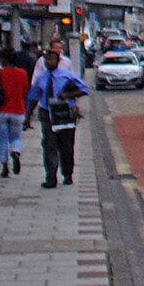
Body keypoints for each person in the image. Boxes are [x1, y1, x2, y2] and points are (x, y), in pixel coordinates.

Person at [28, 47, 86, 188]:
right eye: (46, 60)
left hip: (64, 113)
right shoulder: (41, 78)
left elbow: (84, 89)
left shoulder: (68, 75)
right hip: (47, 113)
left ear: (58, 61)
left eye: (51, 59)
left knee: (66, 145)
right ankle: (51, 177)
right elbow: (34, 97)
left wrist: (68, 95)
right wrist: (27, 115)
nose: (48, 62)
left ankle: (67, 174)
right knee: (49, 145)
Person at [0, 48, 30, 178]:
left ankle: (4, 166)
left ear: (3, 59)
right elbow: (25, 89)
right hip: (18, 110)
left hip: (1, 110)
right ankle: (15, 151)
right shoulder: (22, 73)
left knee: (2, 139)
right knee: (16, 137)